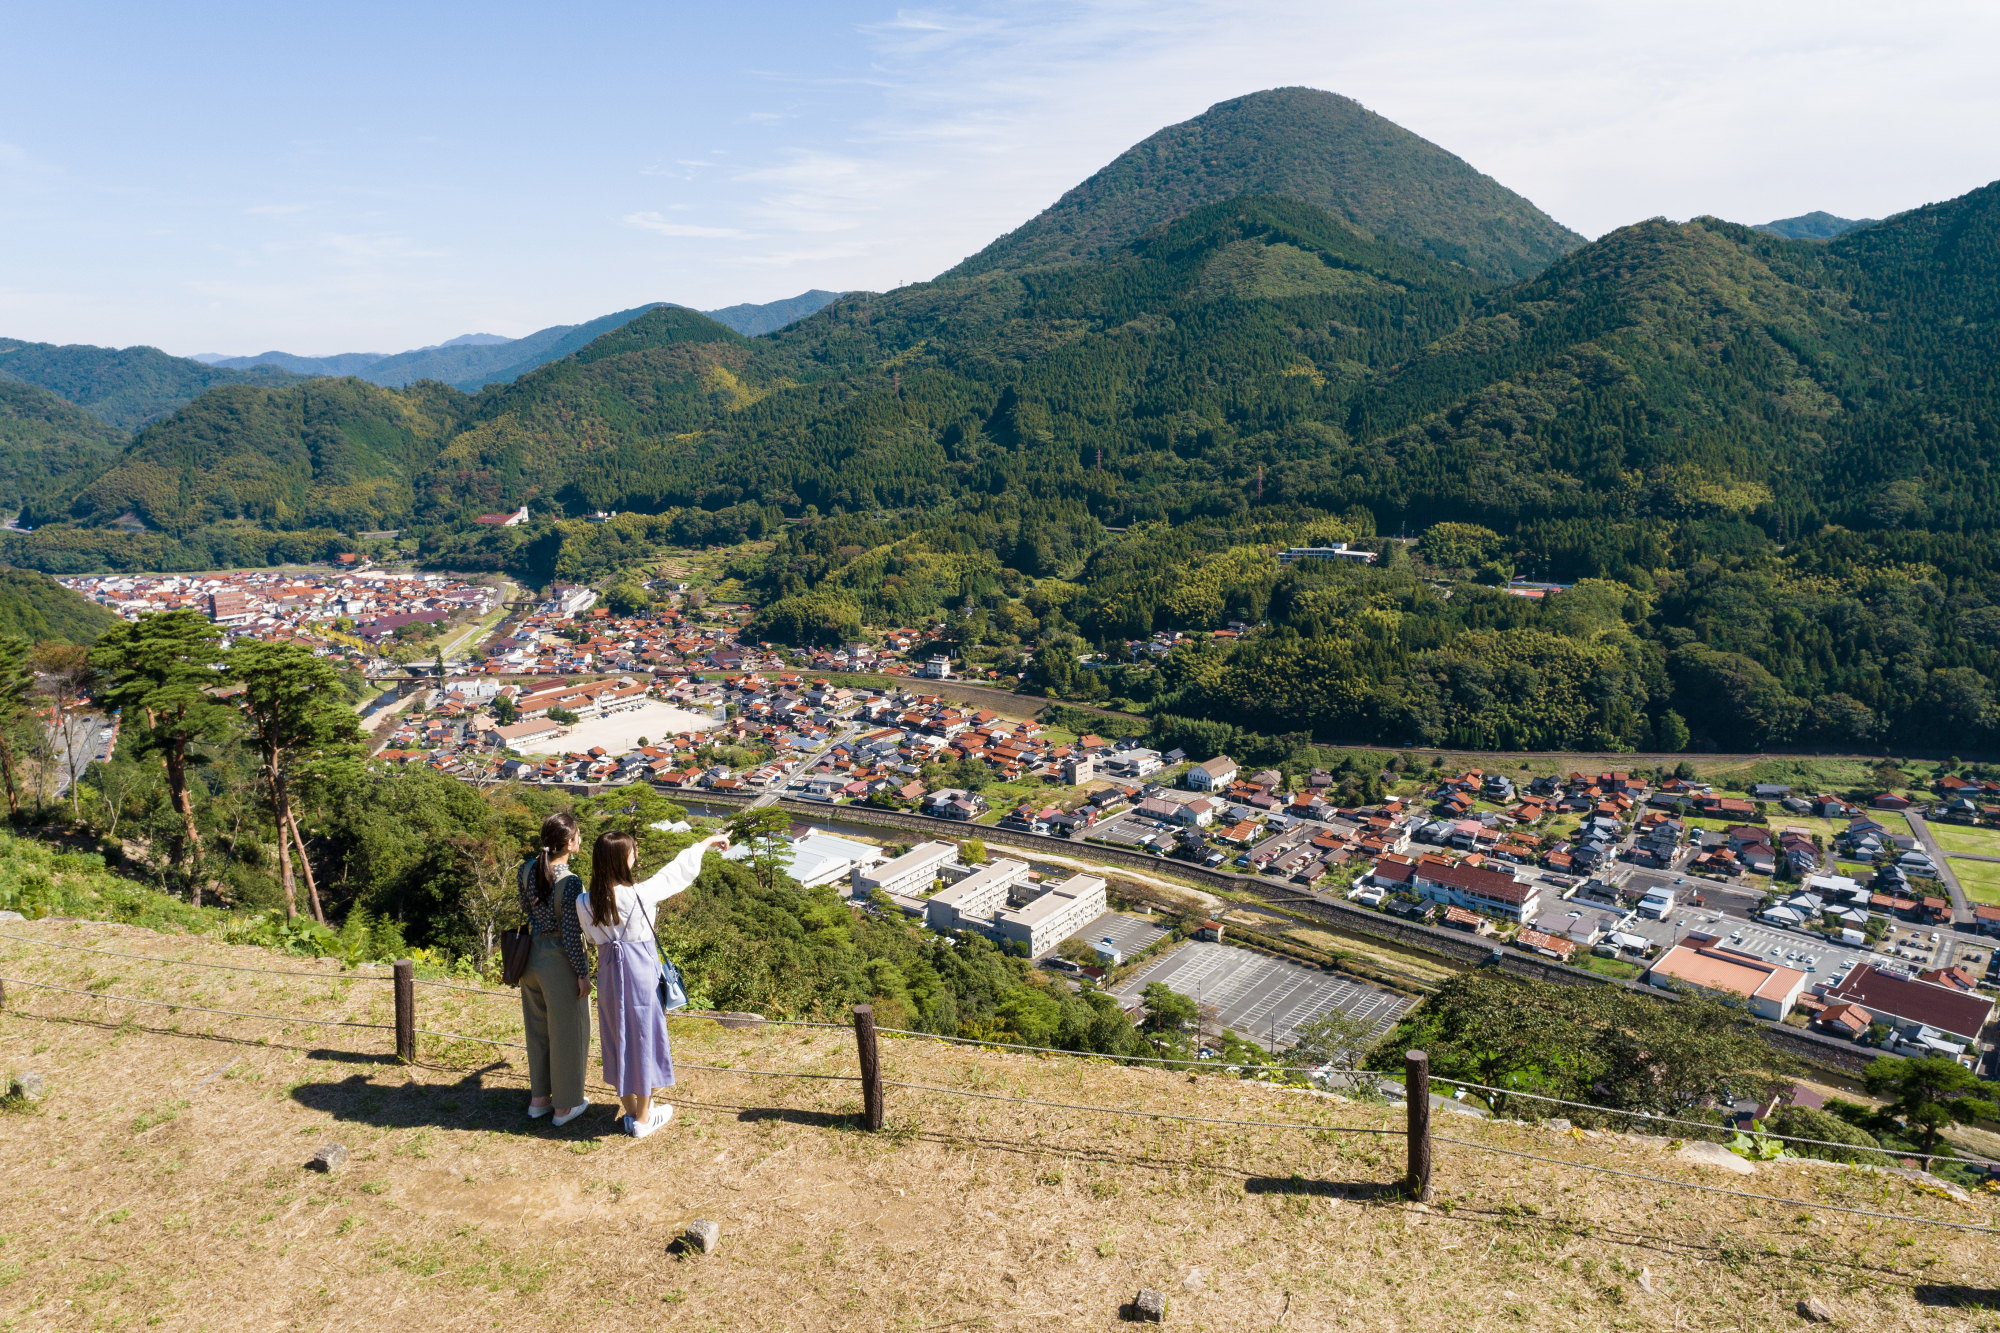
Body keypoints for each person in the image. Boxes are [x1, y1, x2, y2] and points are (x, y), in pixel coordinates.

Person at [577, 827, 729, 1138]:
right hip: (641, 970)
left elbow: (593, 938)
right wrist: (706, 842)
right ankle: (644, 1120)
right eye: (632, 852)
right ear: (623, 859)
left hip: (608, 971)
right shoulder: (641, 893)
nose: (635, 856)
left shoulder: (584, 901)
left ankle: (632, 1112)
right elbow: (677, 871)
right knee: (645, 1036)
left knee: (616, 1036)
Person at [517, 811, 592, 1127]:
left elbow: (527, 910)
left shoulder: (527, 869)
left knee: (538, 1030)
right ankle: (565, 1106)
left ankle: (539, 1100)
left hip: (530, 957)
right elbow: (573, 934)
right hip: (559, 962)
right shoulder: (570, 882)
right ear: (571, 843)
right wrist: (583, 973)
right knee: (568, 1033)